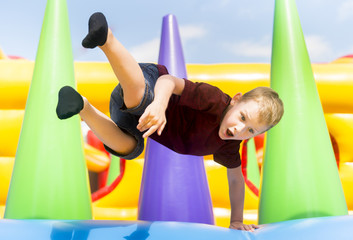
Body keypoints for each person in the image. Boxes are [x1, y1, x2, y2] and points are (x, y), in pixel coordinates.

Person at [56, 12, 284, 232]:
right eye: (243, 118)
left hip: (130, 114)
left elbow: (235, 180)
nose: (239, 129)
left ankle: (82, 107)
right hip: (148, 84)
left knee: (130, 148)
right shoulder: (214, 100)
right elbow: (168, 81)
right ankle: (106, 39)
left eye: (250, 130)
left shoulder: (230, 147)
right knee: (144, 100)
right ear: (235, 101)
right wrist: (159, 105)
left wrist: (236, 220)